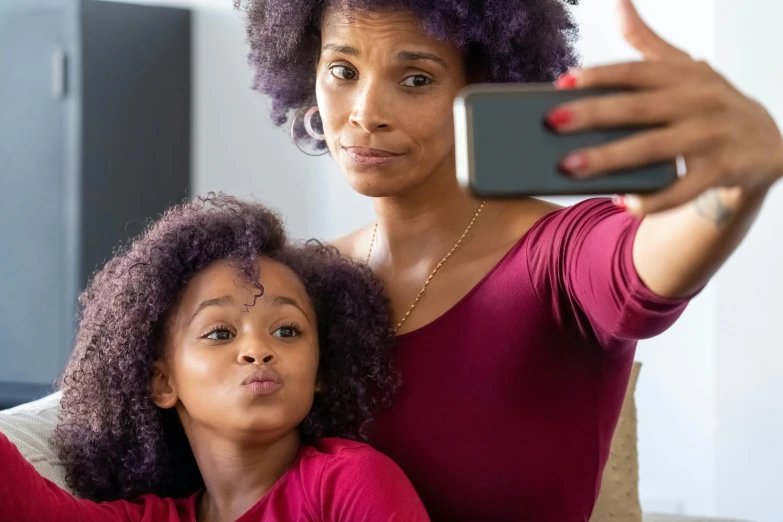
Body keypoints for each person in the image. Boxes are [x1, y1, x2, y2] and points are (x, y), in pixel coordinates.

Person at [235, 0, 783, 520]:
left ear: (484, 89)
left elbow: (636, 272)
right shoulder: (302, 285)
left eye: (417, 79)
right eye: (342, 70)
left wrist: (734, 187)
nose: (365, 113)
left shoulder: (558, 254)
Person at [0, 194, 429, 522]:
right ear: (163, 383)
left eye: (287, 330)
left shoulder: (348, 483)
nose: (258, 349)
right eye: (220, 333)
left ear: (321, 368)